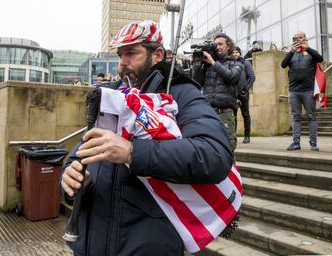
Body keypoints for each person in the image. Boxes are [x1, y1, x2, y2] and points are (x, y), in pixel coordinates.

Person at [60, 20, 234, 256]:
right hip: (90, 244)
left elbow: (214, 154)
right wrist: (71, 176)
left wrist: (131, 152)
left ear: (157, 54)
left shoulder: (182, 93)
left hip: (147, 245)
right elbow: (82, 152)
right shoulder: (110, 97)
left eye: (132, 53)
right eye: (120, 54)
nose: (123, 64)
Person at [281, 31, 323, 151]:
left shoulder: (310, 52)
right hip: (294, 91)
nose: (299, 40)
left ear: (305, 38)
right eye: (296, 38)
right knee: (296, 117)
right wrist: (291, 51)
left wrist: (307, 48)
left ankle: (313, 143)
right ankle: (296, 143)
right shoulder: (292, 53)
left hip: (308, 91)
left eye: (301, 37)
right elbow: (283, 65)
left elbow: (320, 59)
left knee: (311, 116)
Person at [202, 33, 243, 152]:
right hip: (208, 113)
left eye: (220, 44)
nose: (217, 47)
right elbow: (197, 82)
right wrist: (198, 64)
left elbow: (231, 76)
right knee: (208, 147)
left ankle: (230, 170)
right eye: (215, 45)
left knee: (228, 147)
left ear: (228, 46)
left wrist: (213, 62)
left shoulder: (236, 63)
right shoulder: (208, 65)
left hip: (225, 113)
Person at [232, 46, 256, 144]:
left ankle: (247, 136)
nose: (235, 54)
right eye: (233, 52)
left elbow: (252, 77)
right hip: (232, 94)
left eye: (236, 52)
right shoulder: (230, 63)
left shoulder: (245, 63)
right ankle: (233, 136)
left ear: (240, 53)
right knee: (233, 116)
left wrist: (245, 89)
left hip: (243, 94)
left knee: (245, 114)